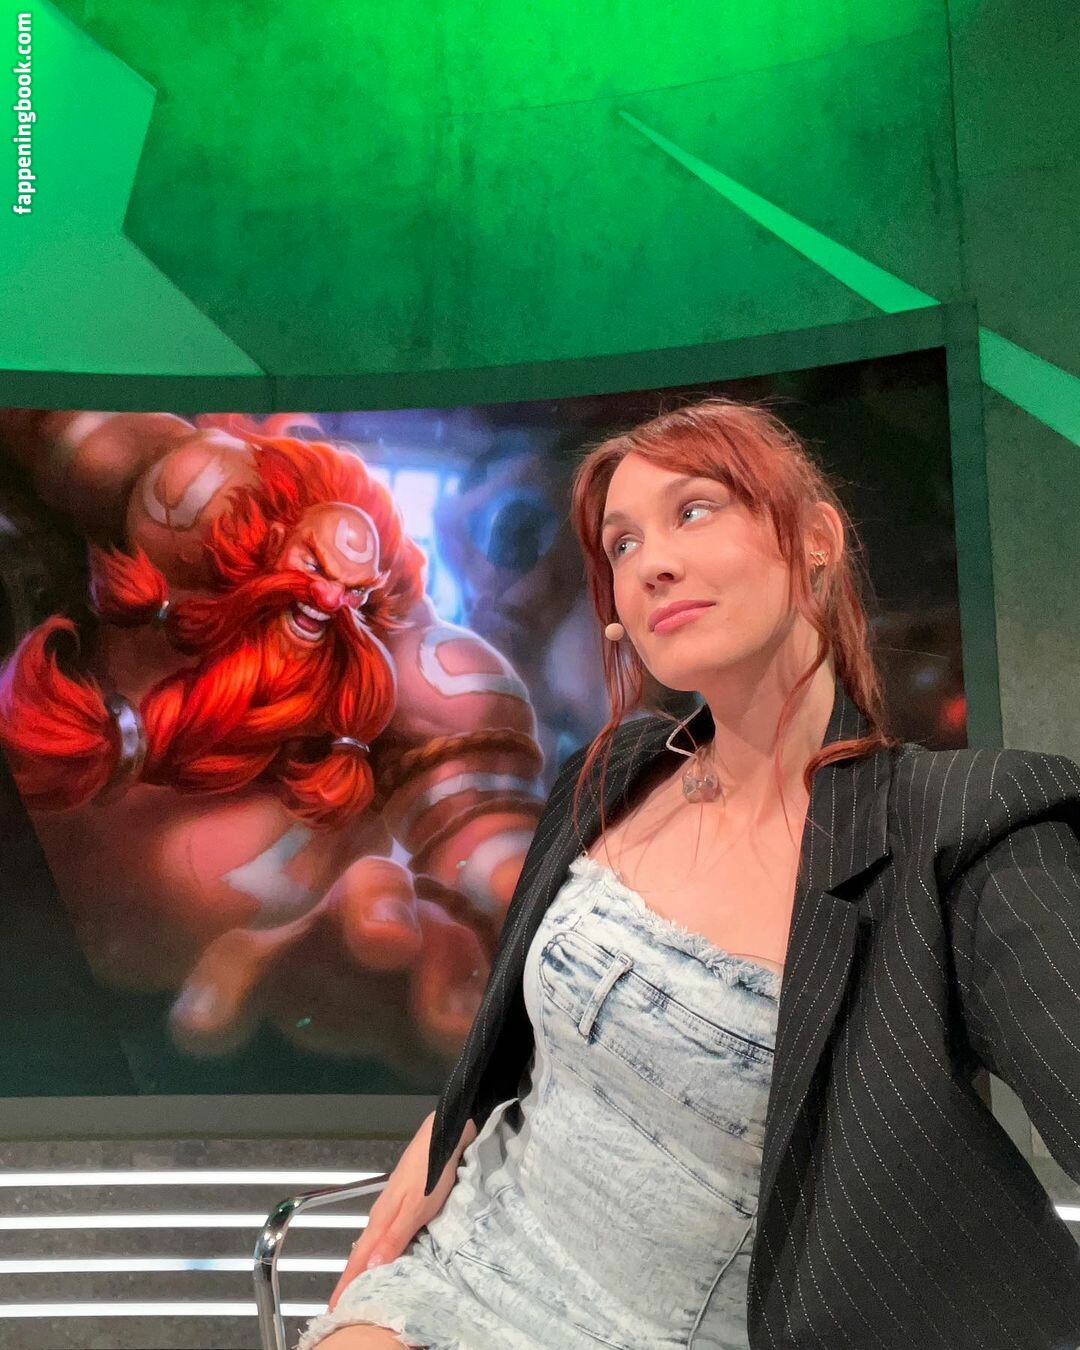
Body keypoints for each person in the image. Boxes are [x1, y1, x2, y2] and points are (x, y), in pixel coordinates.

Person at [298, 399, 1080, 1350]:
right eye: (621, 544)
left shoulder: (961, 830)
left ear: (817, 538)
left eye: (695, 510)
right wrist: (442, 1136)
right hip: (466, 1264)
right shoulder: (613, 772)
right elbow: (518, 1037)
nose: (650, 563)